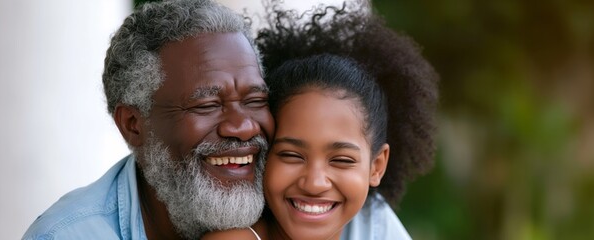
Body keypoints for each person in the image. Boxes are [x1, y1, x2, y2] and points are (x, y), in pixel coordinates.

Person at [22, 0, 418, 239]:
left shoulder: (333, 209)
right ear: (134, 124)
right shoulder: (70, 235)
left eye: (255, 99)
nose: (242, 126)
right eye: (206, 105)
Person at [203, 3, 439, 239]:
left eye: (342, 160)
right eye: (291, 155)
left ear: (376, 167)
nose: (314, 184)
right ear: (262, 155)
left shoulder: (374, 223)